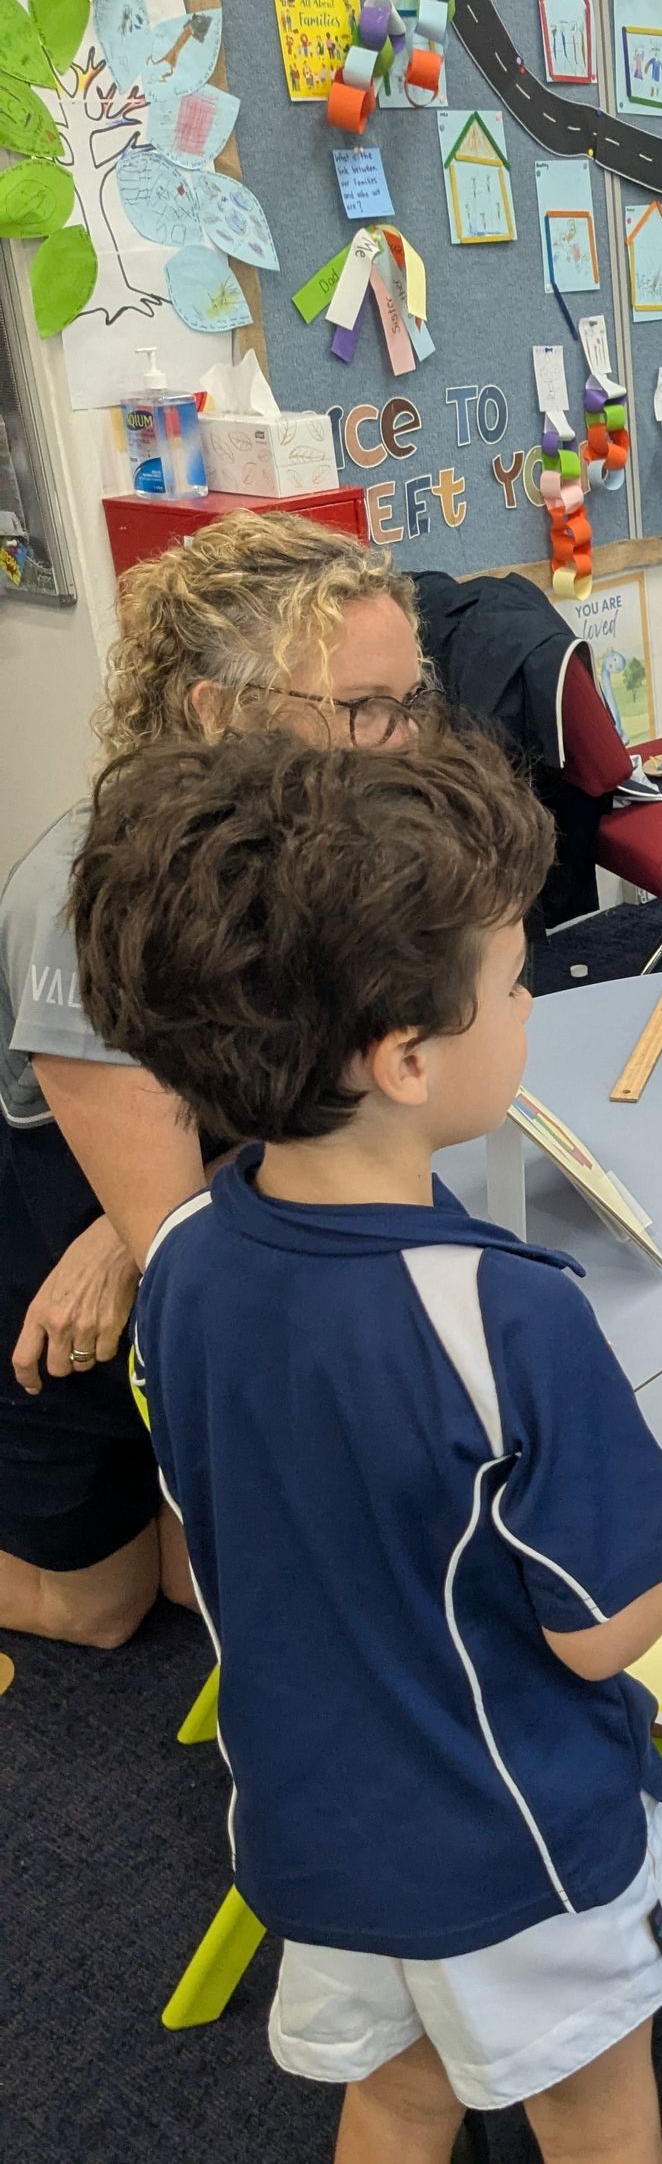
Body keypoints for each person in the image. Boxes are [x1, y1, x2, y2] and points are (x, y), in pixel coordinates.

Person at [71, 728, 662, 2164]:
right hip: (514, 1841)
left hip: (309, 1819)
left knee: (395, 2109)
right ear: (403, 1057)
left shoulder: (180, 1255)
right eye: (516, 983)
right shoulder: (505, 1311)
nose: (530, 1007)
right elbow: (597, 1633)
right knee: (597, 2134)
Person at [0, 511, 432, 1649]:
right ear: (215, 710)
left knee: (208, 1578)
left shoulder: (327, 836)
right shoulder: (80, 900)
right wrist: (121, 1233)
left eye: (409, 701)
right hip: (42, 1238)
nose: (401, 743)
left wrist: (124, 1234)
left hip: (161, 1197)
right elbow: (185, 1251)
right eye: (362, 709)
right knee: (101, 1609)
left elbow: (332, 1086)